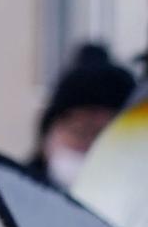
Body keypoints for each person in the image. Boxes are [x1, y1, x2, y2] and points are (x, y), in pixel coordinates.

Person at [36, 43, 138, 185]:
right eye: (81, 132)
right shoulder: (8, 196)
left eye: (107, 137)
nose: (93, 148)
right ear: (47, 138)